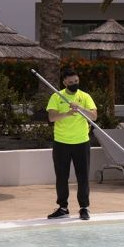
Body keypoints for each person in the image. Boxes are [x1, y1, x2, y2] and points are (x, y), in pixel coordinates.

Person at [46, 68, 97, 220]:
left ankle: (84, 208)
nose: (74, 84)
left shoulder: (85, 96)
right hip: (61, 143)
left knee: (83, 176)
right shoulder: (57, 96)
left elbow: (94, 116)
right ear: (64, 83)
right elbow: (51, 118)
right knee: (61, 176)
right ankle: (62, 207)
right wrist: (67, 113)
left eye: (76, 81)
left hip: (81, 142)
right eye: (70, 82)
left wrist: (80, 108)